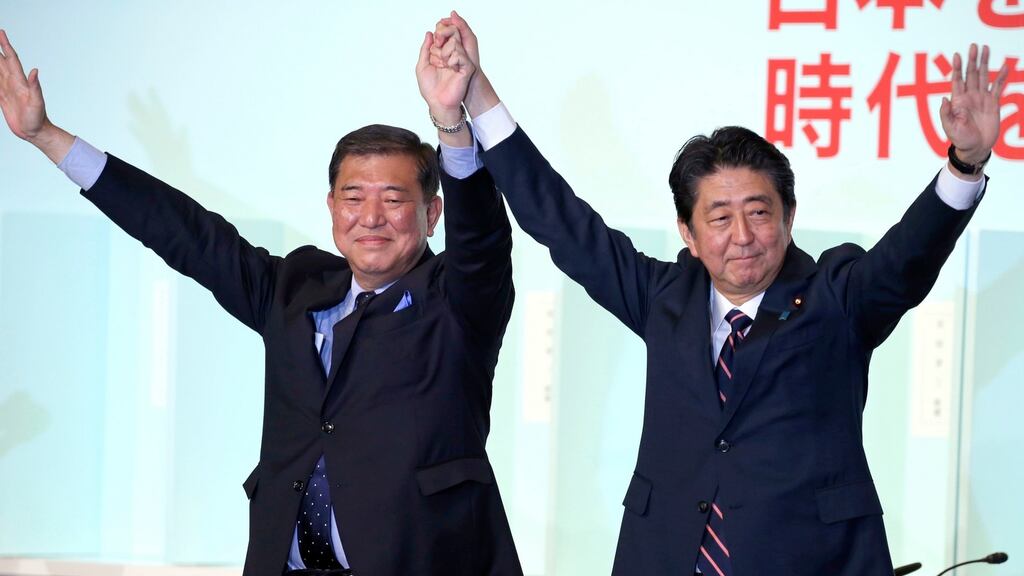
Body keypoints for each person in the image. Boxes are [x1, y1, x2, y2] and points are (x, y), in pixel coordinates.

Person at [426, 13, 1008, 575]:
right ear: (689, 232)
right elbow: (561, 221)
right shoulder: (664, 298)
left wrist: (966, 163)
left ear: (789, 218)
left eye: (759, 212)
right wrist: (477, 97)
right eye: (720, 218)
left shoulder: (837, 297)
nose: (744, 237)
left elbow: (906, 260)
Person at [0, 28, 523, 576]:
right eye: (353, 198)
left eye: (394, 200)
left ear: (431, 213)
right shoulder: (296, 288)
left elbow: (482, 241)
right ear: (331, 207)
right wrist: (47, 137)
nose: (371, 218)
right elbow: (186, 234)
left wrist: (452, 127)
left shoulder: (459, 300)